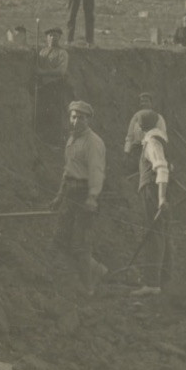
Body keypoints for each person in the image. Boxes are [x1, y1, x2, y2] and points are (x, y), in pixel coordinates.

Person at [51, 100, 107, 294]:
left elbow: (96, 172)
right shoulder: (72, 139)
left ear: (88, 120)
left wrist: (92, 198)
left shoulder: (94, 142)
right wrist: (59, 196)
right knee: (61, 238)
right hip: (70, 193)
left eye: (81, 118)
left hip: (85, 194)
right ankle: (97, 270)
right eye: (73, 117)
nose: (76, 121)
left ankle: (89, 287)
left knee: (80, 244)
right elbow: (67, 170)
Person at [132, 109, 172, 293]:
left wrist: (161, 198)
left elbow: (162, 169)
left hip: (152, 191)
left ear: (141, 127)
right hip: (155, 190)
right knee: (161, 233)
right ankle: (163, 279)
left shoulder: (152, 142)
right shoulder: (158, 141)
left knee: (154, 234)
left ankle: (152, 283)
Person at [33, 28, 71, 141]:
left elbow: (61, 71)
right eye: (50, 35)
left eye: (55, 35)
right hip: (42, 87)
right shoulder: (42, 52)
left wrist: (42, 72)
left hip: (55, 86)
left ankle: (55, 140)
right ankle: (41, 138)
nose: (52, 38)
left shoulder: (62, 53)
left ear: (59, 37)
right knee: (42, 111)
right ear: (46, 37)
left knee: (55, 113)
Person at [123, 92, 168, 157]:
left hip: (154, 149)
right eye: (142, 101)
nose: (144, 104)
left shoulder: (159, 118)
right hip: (138, 150)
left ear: (151, 103)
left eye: (146, 101)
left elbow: (163, 135)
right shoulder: (135, 118)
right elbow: (130, 137)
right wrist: (127, 151)